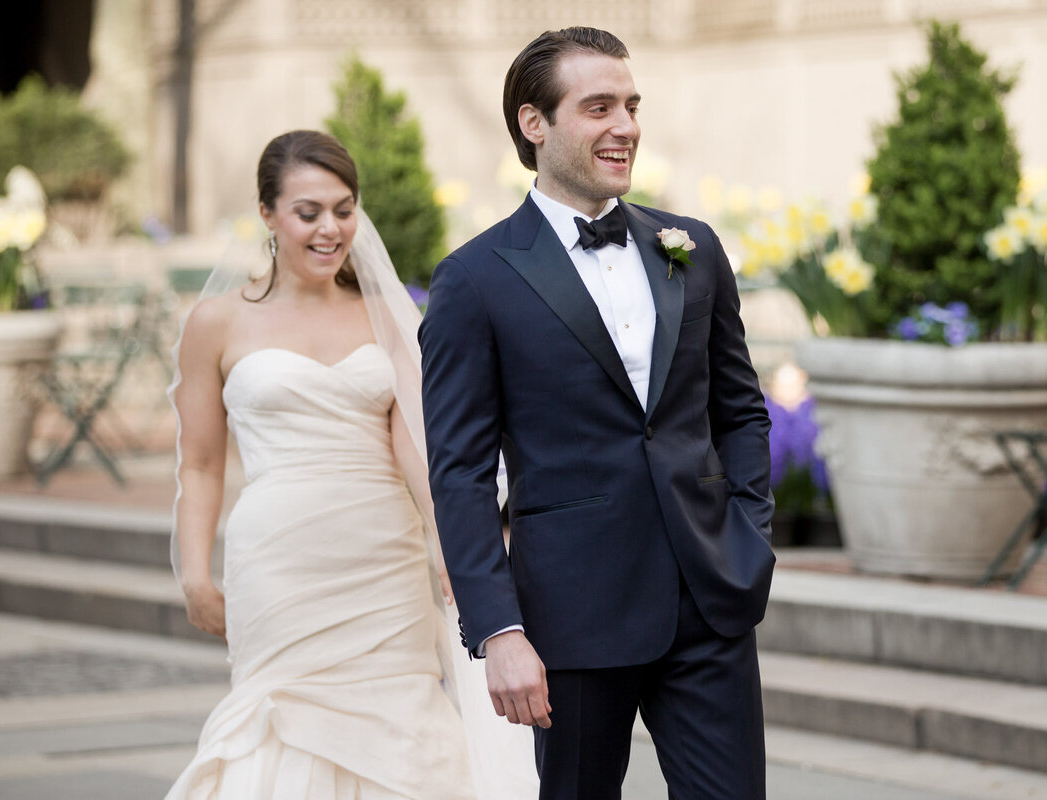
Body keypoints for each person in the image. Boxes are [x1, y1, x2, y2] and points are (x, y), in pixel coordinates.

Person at [420, 28, 775, 800]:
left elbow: (740, 411)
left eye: (632, 105)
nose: (626, 126)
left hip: (709, 600)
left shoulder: (693, 248)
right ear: (533, 123)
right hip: (571, 618)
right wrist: (499, 630)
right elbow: (460, 473)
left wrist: (749, 531)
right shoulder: (474, 281)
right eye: (599, 107)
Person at [165, 130, 536, 799]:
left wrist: (457, 551)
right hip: (277, 565)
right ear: (268, 215)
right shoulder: (216, 324)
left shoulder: (384, 317)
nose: (330, 228)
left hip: (382, 565)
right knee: (278, 721)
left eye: (343, 208)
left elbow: (418, 451)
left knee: (402, 727)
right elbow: (199, 465)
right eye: (309, 212)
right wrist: (193, 573)